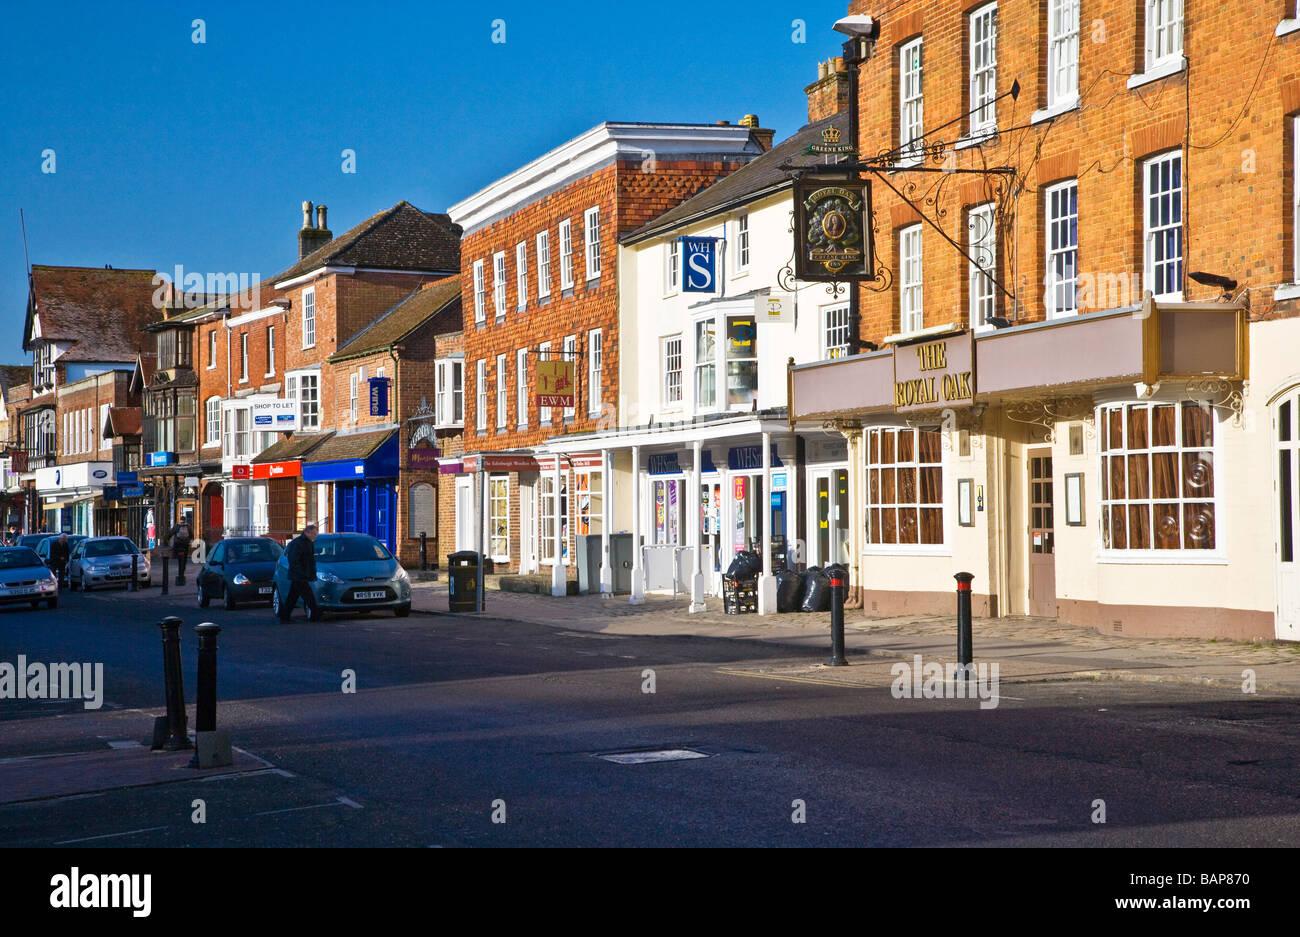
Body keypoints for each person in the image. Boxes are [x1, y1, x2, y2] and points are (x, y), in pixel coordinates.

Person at [280, 523, 320, 622]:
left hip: (299, 575)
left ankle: (285, 617)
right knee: (308, 596)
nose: (315, 536)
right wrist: (303, 573)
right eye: (314, 534)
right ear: (307, 532)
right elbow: (294, 560)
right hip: (299, 575)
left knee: (292, 597)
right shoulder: (299, 543)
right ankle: (315, 616)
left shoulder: (307, 542)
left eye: (316, 534)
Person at [167, 517, 192, 586]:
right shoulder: (188, 526)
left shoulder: (177, 526)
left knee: (179, 559)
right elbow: (191, 535)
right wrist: (189, 540)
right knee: (184, 560)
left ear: (180, 520)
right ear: (185, 520)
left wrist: (167, 539)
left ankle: (179, 573)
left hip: (178, 545)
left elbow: (170, 533)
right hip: (185, 545)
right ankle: (182, 572)